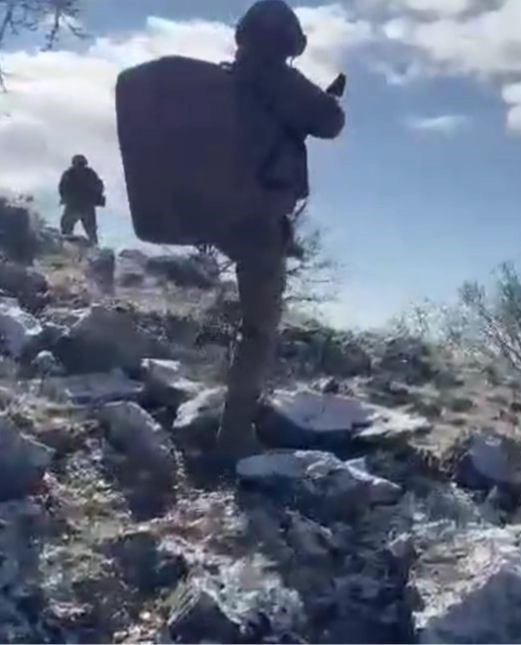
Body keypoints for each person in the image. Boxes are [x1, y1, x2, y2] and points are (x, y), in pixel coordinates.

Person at [214, 0, 345, 460]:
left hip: (219, 214)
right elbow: (330, 120)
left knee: (249, 321)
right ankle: (232, 438)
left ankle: (226, 415)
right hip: (256, 217)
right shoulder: (275, 78)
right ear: (287, 43)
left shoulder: (225, 79)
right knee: (259, 330)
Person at [59, 154, 105, 245]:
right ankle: (65, 247)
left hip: (85, 205)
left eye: (81, 164)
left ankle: (94, 248)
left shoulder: (90, 174)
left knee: (91, 231)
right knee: (66, 228)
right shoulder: (69, 175)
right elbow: (62, 189)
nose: (80, 166)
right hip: (74, 205)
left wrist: (93, 193)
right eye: (78, 164)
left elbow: (99, 186)